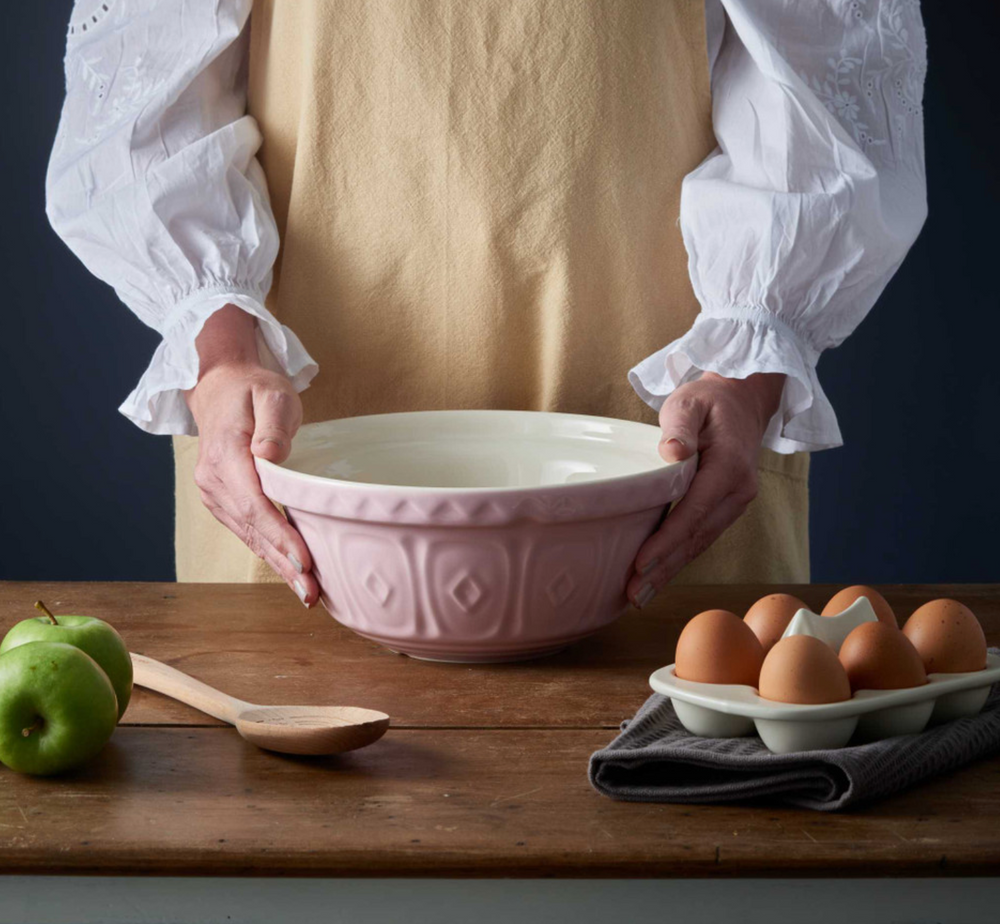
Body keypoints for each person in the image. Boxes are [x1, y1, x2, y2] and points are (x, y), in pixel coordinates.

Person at [46, 0, 927, 611]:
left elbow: (828, 79)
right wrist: (222, 343)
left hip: (674, 458)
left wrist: (746, 369)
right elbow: (145, 102)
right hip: (299, 479)